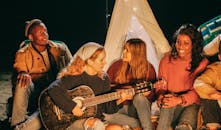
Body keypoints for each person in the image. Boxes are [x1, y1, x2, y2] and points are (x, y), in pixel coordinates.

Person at [46, 42, 130, 130]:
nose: (105, 62)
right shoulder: (75, 76)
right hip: (72, 119)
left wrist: (119, 100)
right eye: (101, 60)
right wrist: (72, 107)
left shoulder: (104, 78)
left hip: (95, 118)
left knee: (117, 129)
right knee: (97, 126)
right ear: (89, 61)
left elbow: (105, 108)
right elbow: (53, 89)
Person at [10, 19, 72, 129]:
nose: (45, 35)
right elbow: (19, 67)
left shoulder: (60, 48)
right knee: (22, 82)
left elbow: (72, 66)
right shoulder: (23, 53)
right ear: (31, 37)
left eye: (45, 31)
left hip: (55, 90)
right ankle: (16, 123)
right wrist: (23, 73)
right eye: (40, 33)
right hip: (36, 92)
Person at [154, 24, 209, 130]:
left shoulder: (202, 63)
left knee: (183, 128)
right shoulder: (166, 60)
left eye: (186, 43)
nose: (180, 46)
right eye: (178, 42)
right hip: (170, 99)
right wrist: (160, 95)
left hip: (191, 103)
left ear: (194, 45)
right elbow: (160, 85)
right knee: (166, 104)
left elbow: (199, 91)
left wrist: (179, 99)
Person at [105, 38, 157, 130]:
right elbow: (106, 87)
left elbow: (153, 96)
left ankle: (146, 128)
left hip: (136, 109)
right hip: (119, 107)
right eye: (124, 48)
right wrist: (120, 95)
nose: (123, 52)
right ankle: (139, 124)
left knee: (139, 98)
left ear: (136, 53)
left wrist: (147, 94)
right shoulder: (116, 65)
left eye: (127, 50)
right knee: (104, 115)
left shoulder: (149, 69)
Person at [194, 41, 221, 130]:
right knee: (207, 97)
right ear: (220, 57)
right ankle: (212, 128)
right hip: (216, 112)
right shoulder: (215, 70)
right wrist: (213, 93)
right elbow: (199, 83)